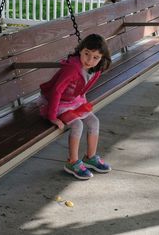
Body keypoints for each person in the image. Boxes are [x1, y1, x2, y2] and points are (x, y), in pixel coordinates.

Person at [39, 34, 112, 180]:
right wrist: (52, 117)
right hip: (56, 103)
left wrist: (82, 103)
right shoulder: (72, 68)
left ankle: (90, 157)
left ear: (102, 58)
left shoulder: (96, 69)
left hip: (74, 100)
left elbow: (82, 88)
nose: (90, 60)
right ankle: (72, 162)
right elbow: (57, 91)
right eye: (87, 54)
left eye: (96, 57)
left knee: (94, 122)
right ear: (80, 50)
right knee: (77, 125)